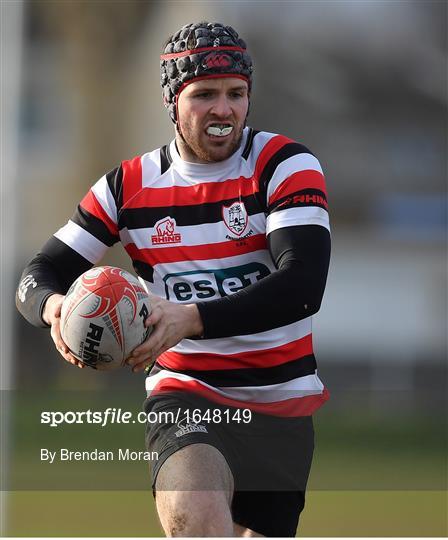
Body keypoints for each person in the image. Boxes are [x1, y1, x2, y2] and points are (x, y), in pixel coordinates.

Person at [16, 21, 331, 537]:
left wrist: (191, 317)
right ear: (173, 103)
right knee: (196, 520)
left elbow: (303, 287)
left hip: (280, 404)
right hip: (187, 390)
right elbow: (37, 276)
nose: (223, 109)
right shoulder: (128, 187)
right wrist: (55, 308)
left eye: (236, 94)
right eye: (204, 94)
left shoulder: (284, 165)